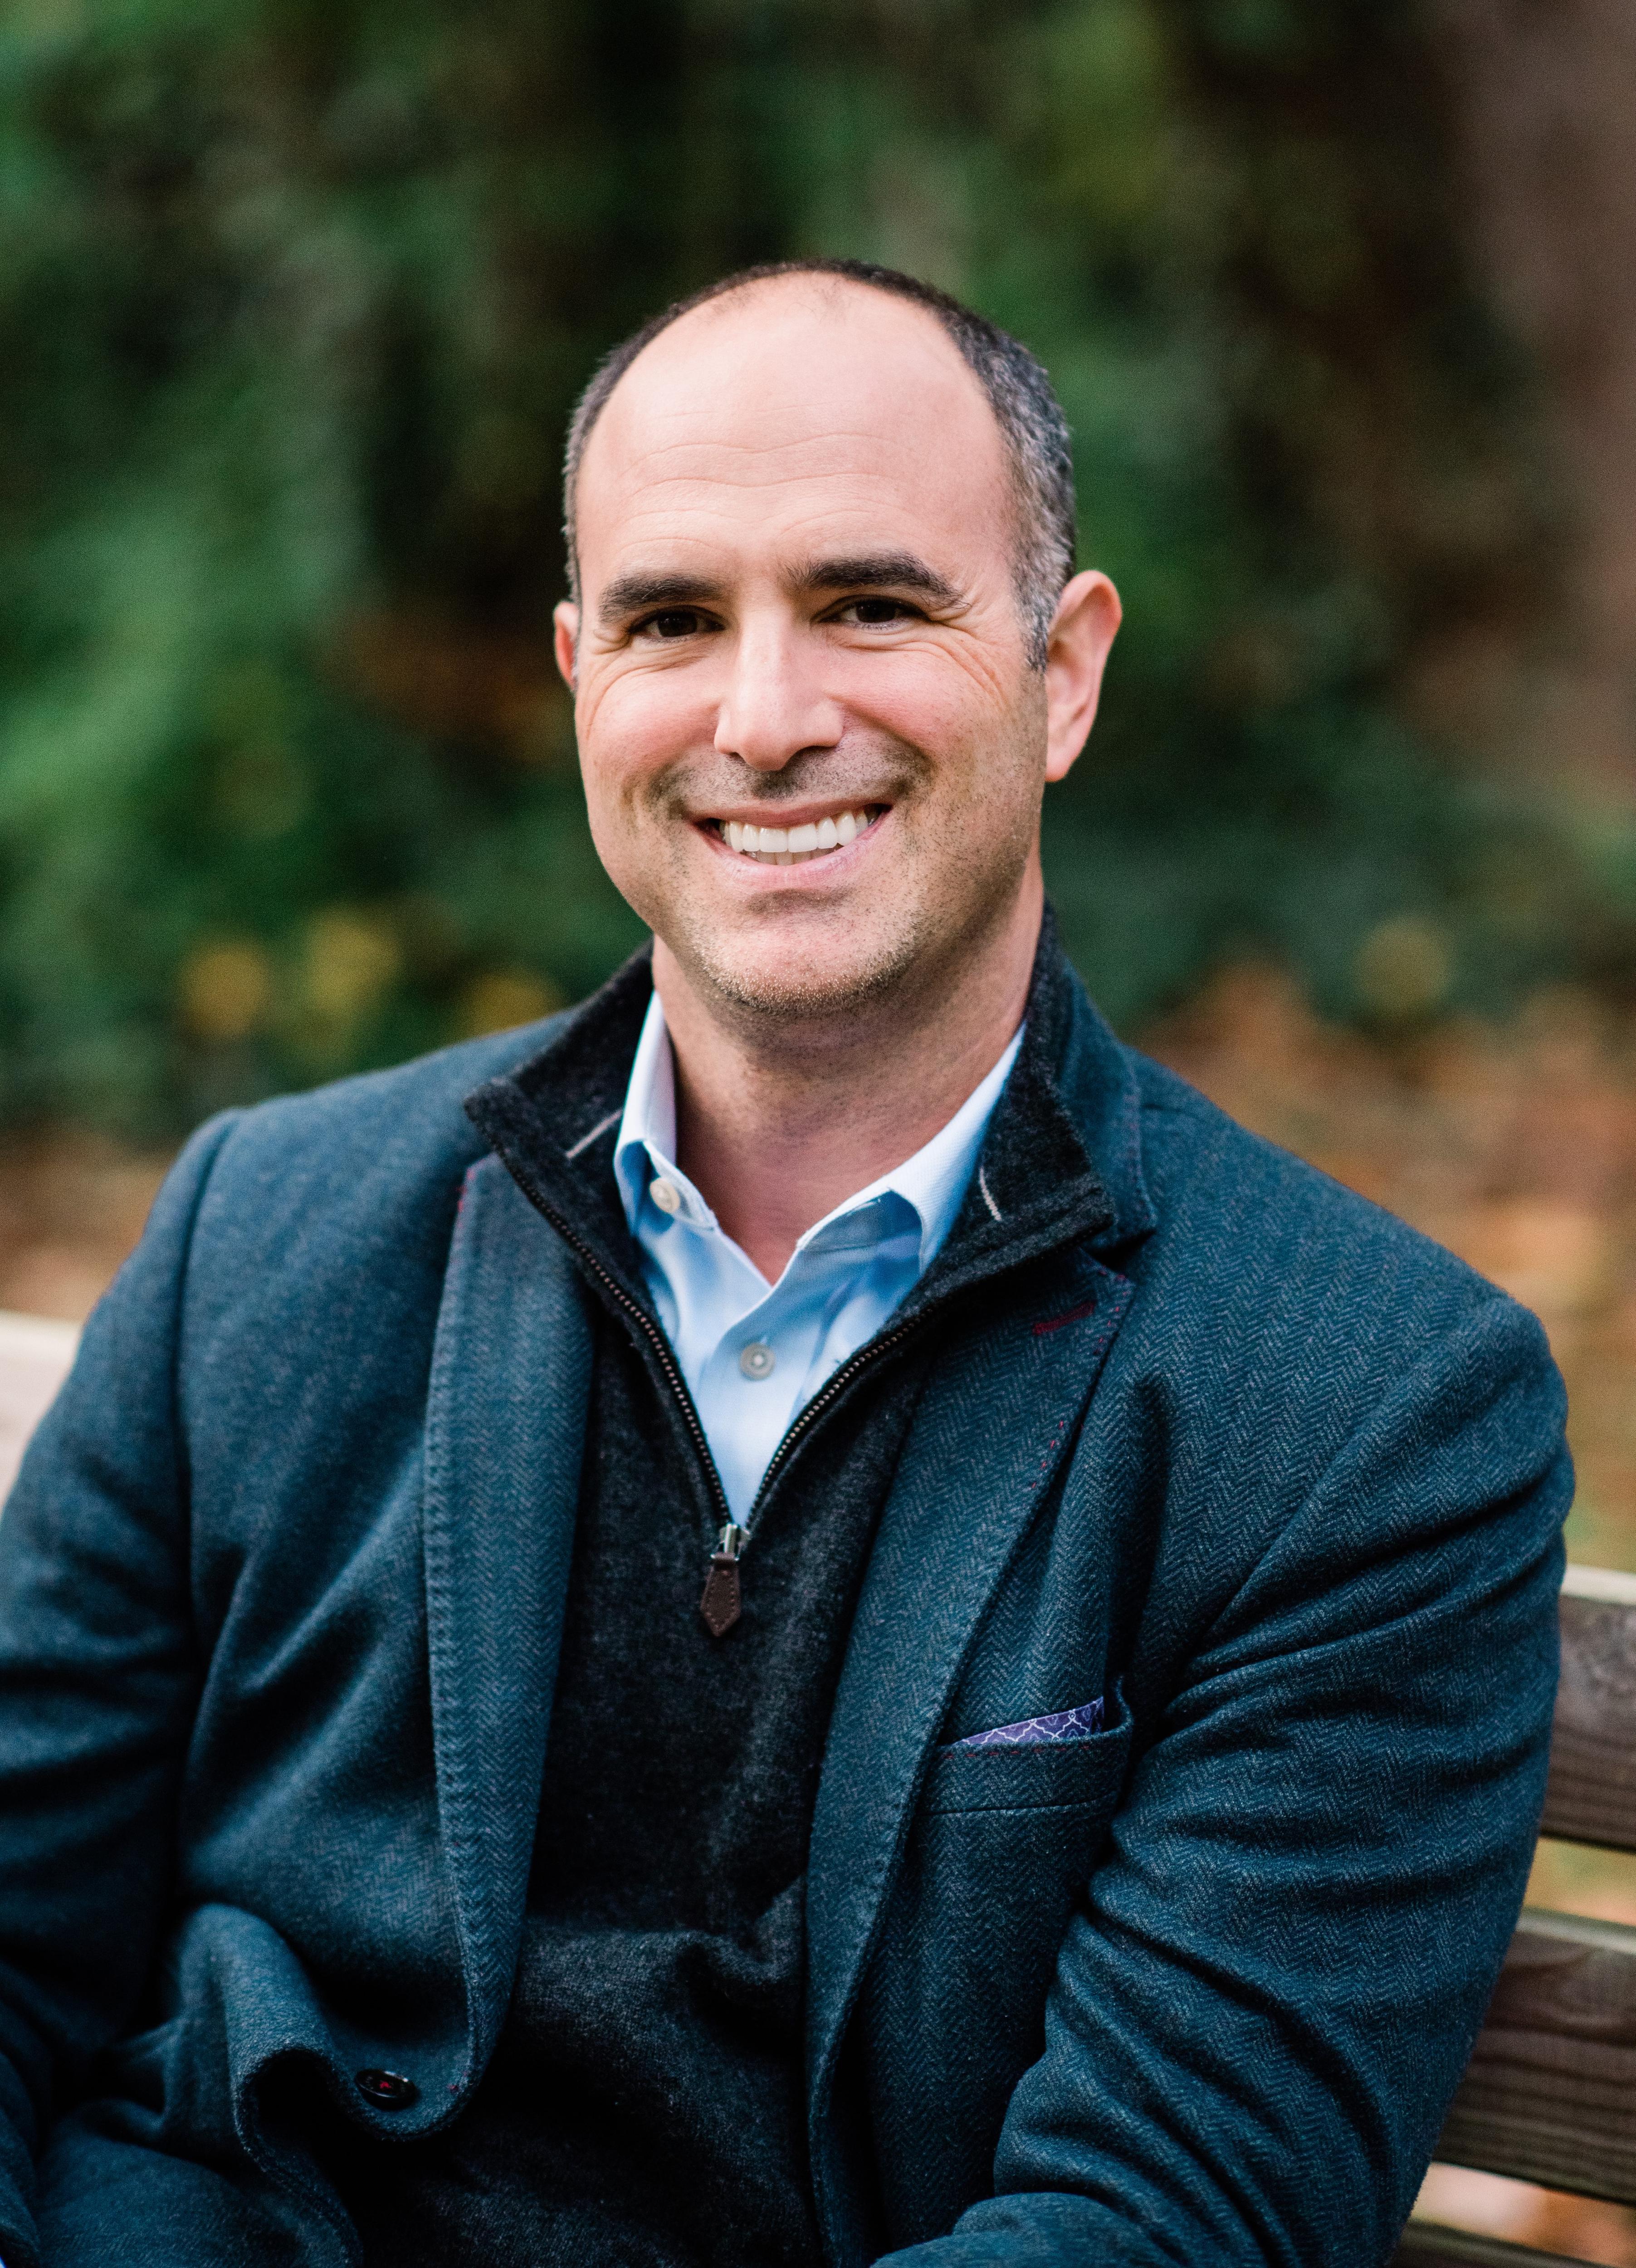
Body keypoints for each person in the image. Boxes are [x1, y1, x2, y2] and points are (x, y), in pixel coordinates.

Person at [0, 259, 1568, 2268]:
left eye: (868, 604)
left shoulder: (1360, 1410)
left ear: (1063, 669)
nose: (763, 717)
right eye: (671, 620)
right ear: (579, 675)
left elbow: (1154, 2222)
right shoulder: (267, 1232)